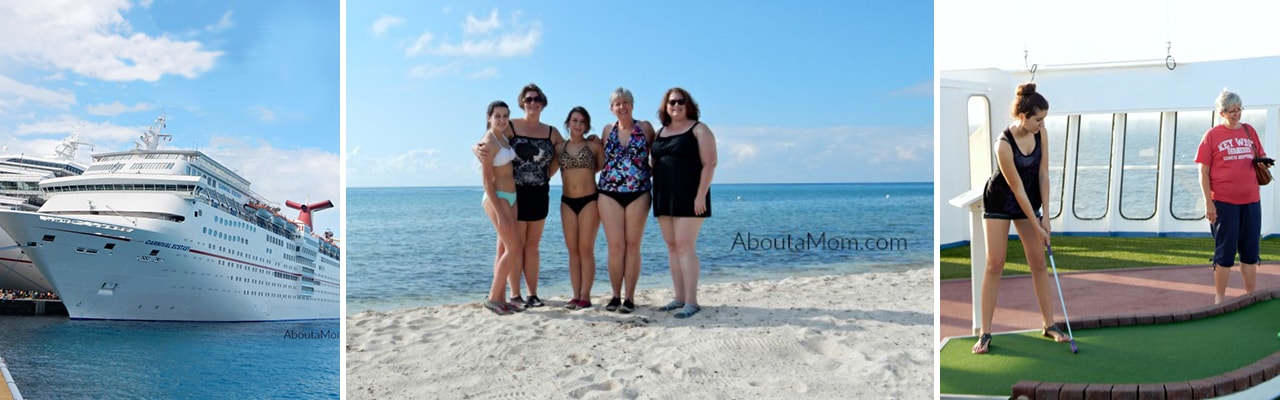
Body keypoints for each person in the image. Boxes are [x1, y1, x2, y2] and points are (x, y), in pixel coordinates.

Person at [972, 83, 1067, 354]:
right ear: (1023, 116)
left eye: (1044, 119)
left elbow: (1043, 175)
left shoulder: (1042, 134)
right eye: (1038, 119)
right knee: (995, 263)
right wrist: (1036, 228)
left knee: (1038, 261)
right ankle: (985, 333)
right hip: (1001, 200)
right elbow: (1016, 189)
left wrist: (1046, 217)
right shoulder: (1002, 145)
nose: (1042, 124)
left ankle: (1049, 325)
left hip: (1030, 198)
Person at [1197, 89, 1270, 305]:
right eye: (1232, 111)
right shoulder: (1211, 136)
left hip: (1251, 200)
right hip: (1223, 202)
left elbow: (1260, 155)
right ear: (1222, 113)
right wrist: (1209, 203)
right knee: (1225, 253)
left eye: (1239, 110)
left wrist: (1264, 162)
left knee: (1250, 251)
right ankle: (1220, 300)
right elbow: (1203, 172)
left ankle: (1250, 296)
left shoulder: (1249, 131)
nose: (1237, 114)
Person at [652, 88, 716, 319]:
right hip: (663, 196)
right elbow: (654, 163)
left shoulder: (699, 129)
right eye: (671, 102)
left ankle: (692, 301)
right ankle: (678, 297)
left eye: (680, 101)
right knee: (671, 248)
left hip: (690, 196)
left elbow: (710, 164)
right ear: (665, 106)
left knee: (684, 247)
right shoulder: (660, 131)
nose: (676, 105)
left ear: (688, 104)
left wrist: (701, 195)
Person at [597, 87, 655, 314]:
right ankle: (614, 296)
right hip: (609, 192)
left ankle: (629, 297)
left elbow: (659, 153)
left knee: (632, 246)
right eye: (617, 103)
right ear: (611, 108)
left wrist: (650, 172)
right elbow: (600, 157)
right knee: (615, 247)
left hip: (638, 192)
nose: (622, 107)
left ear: (632, 104)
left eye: (625, 102)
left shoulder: (646, 128)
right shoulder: (606, 130)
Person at [506, 83, 564, 308]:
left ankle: (532, 294)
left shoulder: (550, 132)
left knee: (533, 245)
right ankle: (514, 294)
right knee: (517, 244)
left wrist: (548, 173)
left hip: (540, 192)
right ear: (522, 102)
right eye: (529, 99)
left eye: (537, 99)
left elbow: (564, 150)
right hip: (515, 193)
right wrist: (475, 147)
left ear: (543, 103)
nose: (533, 103)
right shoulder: (511, 126)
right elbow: (489, 139)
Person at [478, 100, 525, 315]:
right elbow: (487, 181)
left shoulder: (504, 136)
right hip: (497, 199)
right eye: (497, 116)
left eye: (505, 115)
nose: (502, 119)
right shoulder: (488, 143)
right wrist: (499, 211)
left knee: (504, 249)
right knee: (514, 248)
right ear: (489, 117)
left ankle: (501, 298)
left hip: (511, 197)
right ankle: (492, 298)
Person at [558, 106, 605, 310]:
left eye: (582, 122)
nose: (578, 125)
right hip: (567, 201)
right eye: (575, 120)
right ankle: (575, 295)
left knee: (586, 249)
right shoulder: (559, 147)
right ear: (568, 122)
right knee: (572, 251)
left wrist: (598, 141)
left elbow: (603, 166)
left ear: (586, 125)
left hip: (589, 200)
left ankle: (585, 296)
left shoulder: (593, 146)